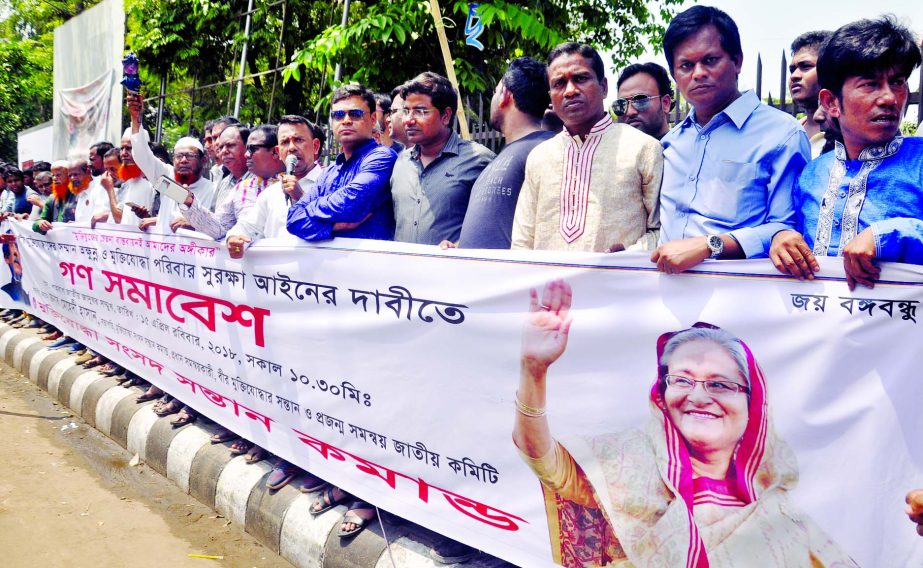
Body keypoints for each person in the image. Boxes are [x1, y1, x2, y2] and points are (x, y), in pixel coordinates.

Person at [514, 280, 857, 567]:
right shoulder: (628, 460)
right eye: (682, 380)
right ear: (662, 394)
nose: (699, 396)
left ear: (752, 405)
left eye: (720, 384)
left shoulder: (779, 508)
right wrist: (534, 371)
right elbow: (545, 462)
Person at [769, 16, 923, 291]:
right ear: (831, 103)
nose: (889, 98)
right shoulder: (812, 174)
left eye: (897, 82)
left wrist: (888, 234)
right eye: (870, 84)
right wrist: (780, 237)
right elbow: (786, 230)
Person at [652, 6, 810, 274]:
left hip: (736, 298)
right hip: (662, 295)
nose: (698, 73)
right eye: (686, 65)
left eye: (710, 60)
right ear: (675, 75)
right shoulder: (671, 144)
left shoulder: (782, 135)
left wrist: (710, 245)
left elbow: (787, 229)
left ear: (737, 61)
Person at [512, 43, 662, 252]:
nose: (570, 91)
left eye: (580, 79)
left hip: (615, 281)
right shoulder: (539, 157)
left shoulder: (643, 148)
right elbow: (522, 241)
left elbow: (661, 230)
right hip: (549, 283)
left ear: (604, 87)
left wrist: (627, 256)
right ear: (551, 96)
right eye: (559, 84)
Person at [450, 57, 554, 249]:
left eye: (495, 92)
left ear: (505, 94)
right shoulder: (505, 153)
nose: (493, 98)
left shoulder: (547, 148)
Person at [391, 72, 495, 244]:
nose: (408, 120)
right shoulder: (401, 162)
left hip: (451, 269)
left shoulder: (478, 160)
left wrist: (460, 247)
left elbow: (493, 225)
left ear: (445, 116)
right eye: (406, 111)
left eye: (420, 111)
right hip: (402, 268)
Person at [288, 84, 397, 242]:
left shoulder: (382, 157)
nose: (346, 121)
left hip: (371, 263)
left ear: (373, 120)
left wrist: (309, 208)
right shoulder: (329, 172)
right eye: (338, 115)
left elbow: (352, 206)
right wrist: (333, 226)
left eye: (355, 114)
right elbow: (293, 221)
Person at [225, 116, 325, 258]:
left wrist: (300, 197)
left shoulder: (331, 183)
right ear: (278, 152)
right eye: (285, 142)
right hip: (275, 276)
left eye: (298, 140)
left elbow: (330, 227)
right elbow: (247, 227)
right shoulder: (270, 193)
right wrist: (234, 238)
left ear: (315, 146)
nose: (291, 148)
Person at [128, 93, 216, 234]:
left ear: (203, 160)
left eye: (190, 156)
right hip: (163, 253)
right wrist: (135, 118)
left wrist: (194, 224)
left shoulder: (212, 189)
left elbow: (218, 228)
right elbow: (141, 155)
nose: (183, 160)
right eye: (179, 156)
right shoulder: (167, 178)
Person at [180, 124, 283, 239]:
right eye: (220, 147)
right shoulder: (243, 187)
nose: (223, 151)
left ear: (276, 151)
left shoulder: (294, 185)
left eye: (252, 149)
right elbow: (219, 228)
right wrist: (189, 203)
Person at [789, 31, 832, 157]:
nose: (794, 76)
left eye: (805, 66)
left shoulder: (851, 135)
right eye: (792, 70)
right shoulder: (787, 132)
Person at [613, 62, 674, 140]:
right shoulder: (613, 150)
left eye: (640, 100)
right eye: (622, 104)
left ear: (665, 103)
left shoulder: (685, 150)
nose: (629, 112)